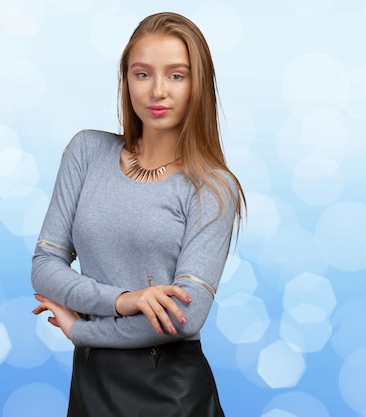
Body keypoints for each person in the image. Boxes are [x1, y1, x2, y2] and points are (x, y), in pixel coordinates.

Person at [31, 11, 246, 417]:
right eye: (142, 74)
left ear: (199, 84)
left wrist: (81, 330)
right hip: (92, 384)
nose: (157, 91)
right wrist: (126, 300)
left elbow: (183, 319)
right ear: (125, 79)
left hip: (172, 394)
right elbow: (44, 266)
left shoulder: (214, 188)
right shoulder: (87, 152)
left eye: (177, 75)